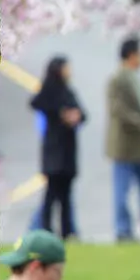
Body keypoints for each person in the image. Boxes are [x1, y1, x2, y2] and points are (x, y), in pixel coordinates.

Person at [106, 37, 140, 241]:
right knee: (122, 190)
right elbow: (117, 110)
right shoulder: (118, 79)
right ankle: (123, 230)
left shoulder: (134, 78)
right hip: (125, 146)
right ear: (131, 55)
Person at [30, 55, 87, 240]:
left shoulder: (68, 91)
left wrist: (75, 116)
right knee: (51, 193)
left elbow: (83, 114)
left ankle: (67, 230)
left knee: (66, 195)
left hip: (68, 149)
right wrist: (60, 113)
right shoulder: (49, 91)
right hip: (54, 150)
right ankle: (45, 229)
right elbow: (36, 102)